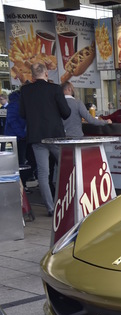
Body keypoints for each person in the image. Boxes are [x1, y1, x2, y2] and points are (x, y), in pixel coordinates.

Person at [19, 63, 71, 216]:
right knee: (66, 168)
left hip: (36, 136)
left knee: (43, 172)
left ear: (32, 76)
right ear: (46, 73)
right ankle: (69, 200)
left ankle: (51, 208)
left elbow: (22, 113)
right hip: (55, 136)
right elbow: (66, 113)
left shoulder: (25, 91)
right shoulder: (55, 89)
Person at [4, 90, 28, 184]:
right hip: (16, 138)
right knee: (18, 162)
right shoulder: (16, 104)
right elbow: (13, 121)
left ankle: (20, 184)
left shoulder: (15, 103)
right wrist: (22, 133)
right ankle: (19, 184)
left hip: (15, 136)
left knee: (17, 162)